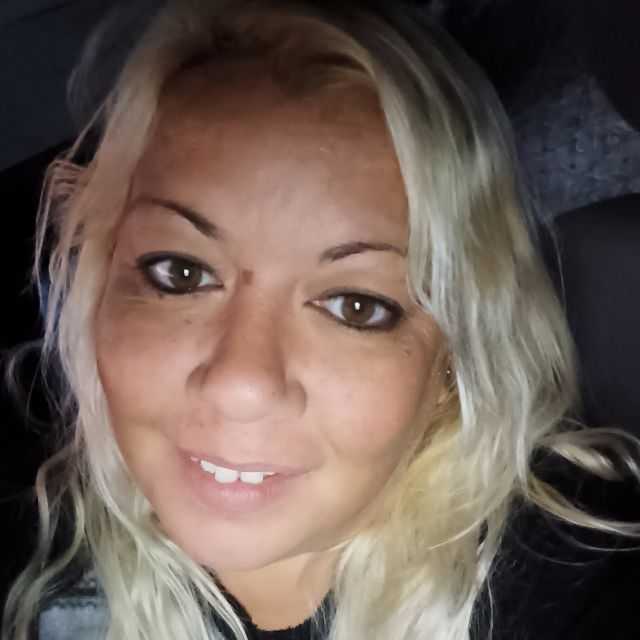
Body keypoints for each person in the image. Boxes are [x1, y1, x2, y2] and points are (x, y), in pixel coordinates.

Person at [3, 1, 639, 639]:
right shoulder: (37, 524)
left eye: (355, 307)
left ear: (452, 353)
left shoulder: (568, 577)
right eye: (181, 273)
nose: (241, 384)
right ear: (97, 283)